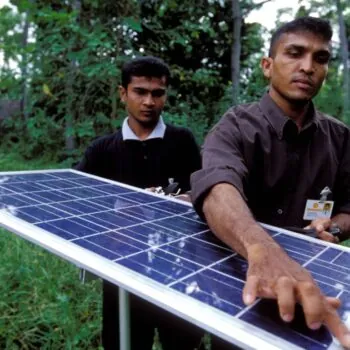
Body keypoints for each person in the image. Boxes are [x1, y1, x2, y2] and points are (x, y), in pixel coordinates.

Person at [191, 16, 350, 348]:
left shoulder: (340, 138)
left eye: (320, 59)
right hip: (242, 285)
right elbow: (218, 188)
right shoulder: (235, 127)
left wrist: (333, 228)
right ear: (267, 65)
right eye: (295, 53)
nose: (308, 67)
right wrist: (260, 249)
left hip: (313, 289)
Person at [76, 56, 202, 349]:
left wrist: (182, 199)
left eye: (157, 93)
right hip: (122, 273)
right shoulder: (102, 150)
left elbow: (204, 191)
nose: (149, 101)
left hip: (177, 270)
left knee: (182, 342)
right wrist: (117, 214)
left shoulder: (182, 141)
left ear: (165, 95)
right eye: (140, 92)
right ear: (123, 94)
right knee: (125, 342)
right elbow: (80, 204)